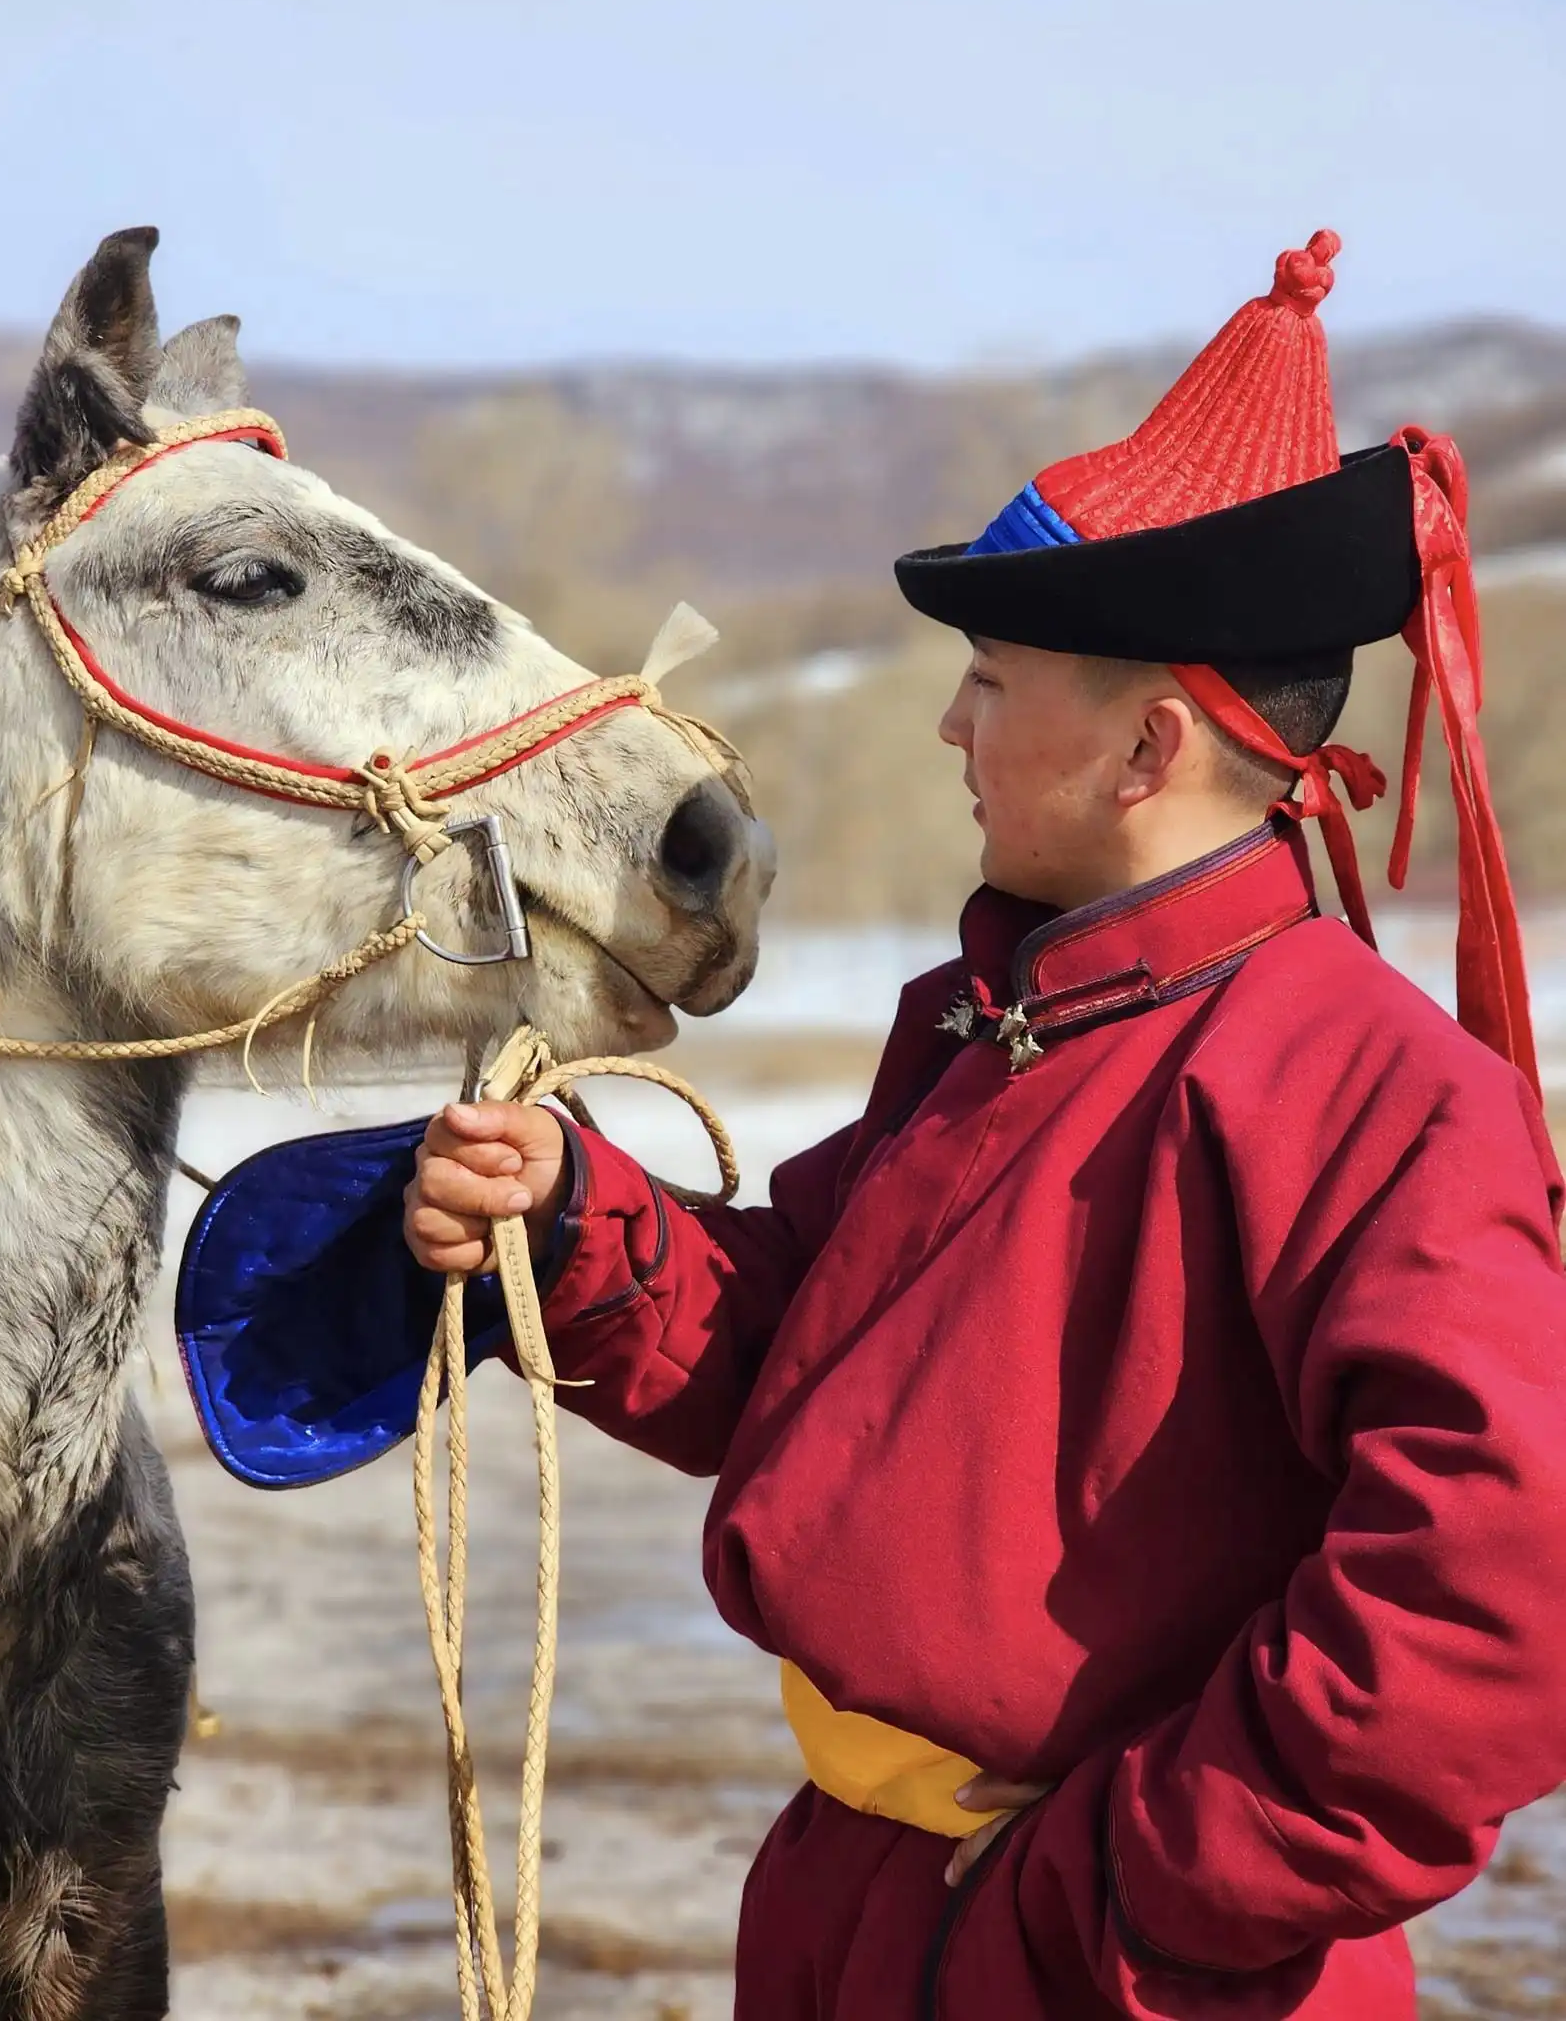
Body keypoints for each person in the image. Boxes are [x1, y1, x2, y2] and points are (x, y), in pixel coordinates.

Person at [402, 232, 1566, 2020]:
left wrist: (1128, 1887)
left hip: (1131, 1970)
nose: (948, 721)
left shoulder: (1373, 1088)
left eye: (992, 679)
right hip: (860, 1917)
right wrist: (569, 1223)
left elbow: (1490, 1581)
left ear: (1144, 748)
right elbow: (790, 1352)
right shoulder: (983, 1020)